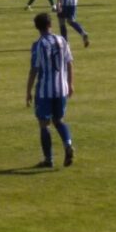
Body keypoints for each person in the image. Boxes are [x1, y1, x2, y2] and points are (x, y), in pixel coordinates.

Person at [25, 12, 75, 168]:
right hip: (62, 88)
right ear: (50, 24)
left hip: (45, 90)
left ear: (37, 27)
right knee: (59, 120)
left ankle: (48, 159)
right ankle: (67, 144)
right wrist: (70, 83)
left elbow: (34, 69)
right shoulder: (61, 40)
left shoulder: (38, 45)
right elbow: (69, 62)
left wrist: (28, 90)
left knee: (44, 123)